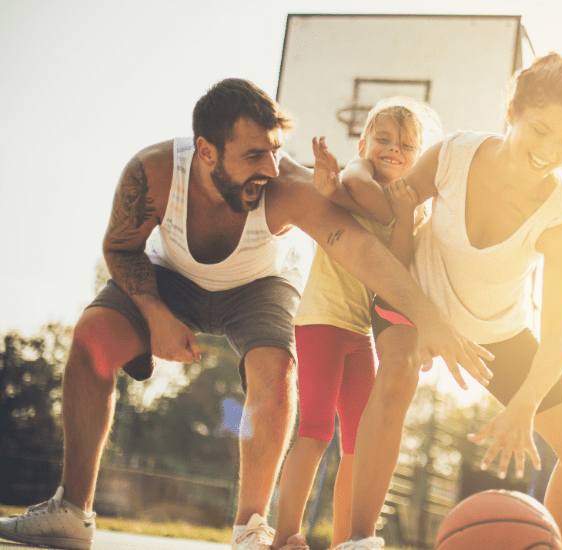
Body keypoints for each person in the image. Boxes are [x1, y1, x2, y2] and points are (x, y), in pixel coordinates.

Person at [0, 79, 490, 550]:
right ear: (206, 151)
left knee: (275, 368)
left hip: (258, 287)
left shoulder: (287, 185)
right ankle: (71, 510)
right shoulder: (154, 172)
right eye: (255, 155)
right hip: (170, 279)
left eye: (275, 150)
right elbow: (120, 246)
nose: (272, 167)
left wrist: (433, 320)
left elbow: (361, 249)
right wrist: (153, 313)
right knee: (93, 337)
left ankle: (252, 529)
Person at [323, 53, 562, 550]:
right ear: (512, 112)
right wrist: (347, 172)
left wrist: (524, 405)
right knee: (398, 372)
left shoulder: (561, 222)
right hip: (414, 296)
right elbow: (390, 206)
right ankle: (358, 541)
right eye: (540, 130)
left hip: (495, 332)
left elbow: (558, 334)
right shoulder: (452, 153)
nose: (550, 151)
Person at [272, 97, 440, 550]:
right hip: (322, 321)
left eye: (407, 145)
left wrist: (406, 215)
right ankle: (285, 536)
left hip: (359, 333)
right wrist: (334, 190)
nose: (393, 148)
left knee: (359, 444)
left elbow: (396, 267)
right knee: (315, 430)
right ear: (364, 143)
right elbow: (356, 186)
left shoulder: (406, 205)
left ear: (419, 155)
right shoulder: (356, 175)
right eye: (383, 139)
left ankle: (349, 539)